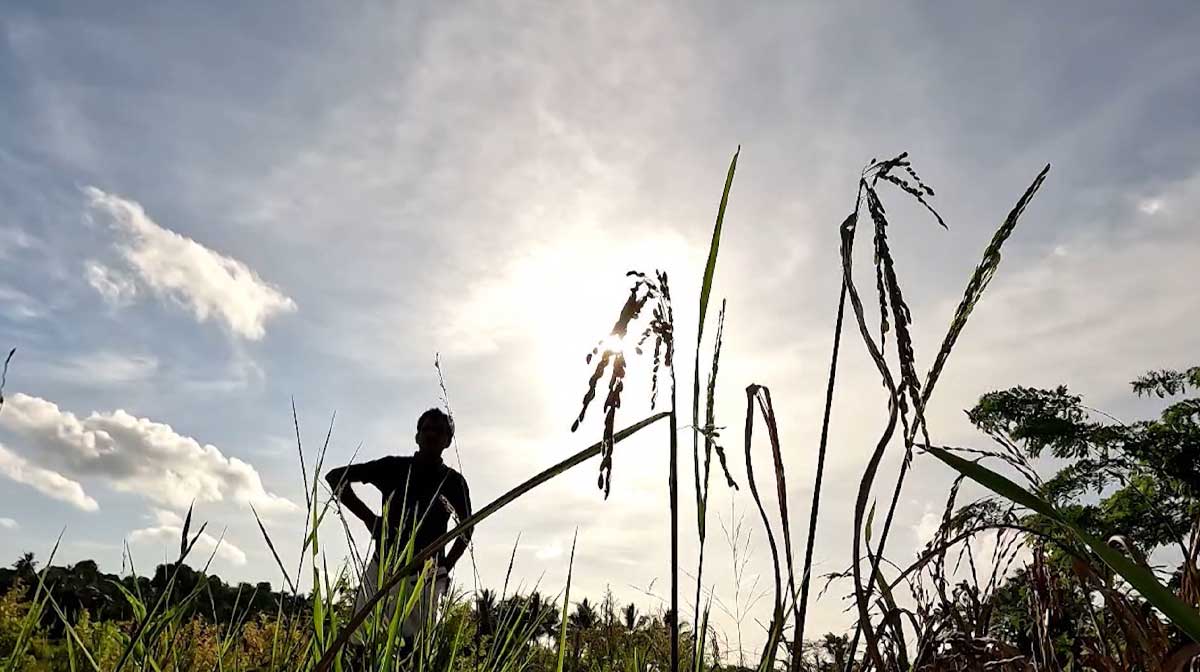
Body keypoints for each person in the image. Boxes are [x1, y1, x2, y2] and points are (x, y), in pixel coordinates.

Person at [325, 408, 472, 647]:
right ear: (417, 436)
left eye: (439, 430)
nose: (432, 434)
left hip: (424, 578)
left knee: (412, 649)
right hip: (382, 568)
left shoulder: (454, 482)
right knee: (361, 643)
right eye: (426, 429)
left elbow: (467, 528)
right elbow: (335, 477)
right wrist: (369, 519)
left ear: (448, 441)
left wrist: (446, 565)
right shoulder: (393, 468)